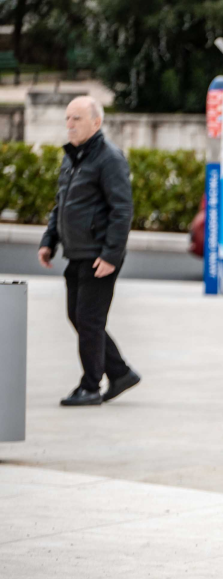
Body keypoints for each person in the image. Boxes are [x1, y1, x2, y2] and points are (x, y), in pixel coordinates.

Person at [38, 96, 140, 407]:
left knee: (89, 320)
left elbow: (122, 210)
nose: (69, 124)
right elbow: (62, 204)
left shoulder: (109, 158)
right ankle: (120, 373)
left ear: (96, 123)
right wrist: (49, 240)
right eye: (67, 118)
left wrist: (110, 256)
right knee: (79, 317)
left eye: (77, 118)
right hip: (77, 252)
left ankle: (91, 386)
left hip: (99, 256)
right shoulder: (72, 158)